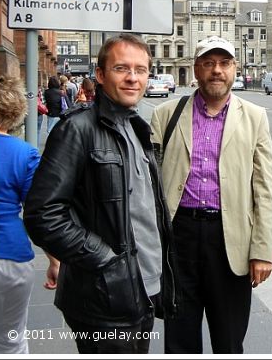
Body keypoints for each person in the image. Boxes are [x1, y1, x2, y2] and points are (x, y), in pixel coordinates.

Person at [24, 34, 179, 354]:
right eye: (122, 68)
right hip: (103, 296)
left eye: (141, 69)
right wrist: (105, 260)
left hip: (144, 288)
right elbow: (42, 214)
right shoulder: (76, 129)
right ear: (100, 75)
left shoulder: (137, 128)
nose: (133, 77)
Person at [150, 35, 272, 354]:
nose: (216, 70)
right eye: (208, 63)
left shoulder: (255, 116)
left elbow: (264, 188)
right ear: (196, 69)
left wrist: (262, 250)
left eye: (223, 63)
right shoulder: (166, 114)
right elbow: (149, 185)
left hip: (230, 238)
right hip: (180, 237)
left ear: (234, 68)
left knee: (229, 339)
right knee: (179, 339)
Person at [0, 76, 59, 354]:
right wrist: (55, 260)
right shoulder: (25, 154)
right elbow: (39, 212)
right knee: (11, 340)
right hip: (10, 256)